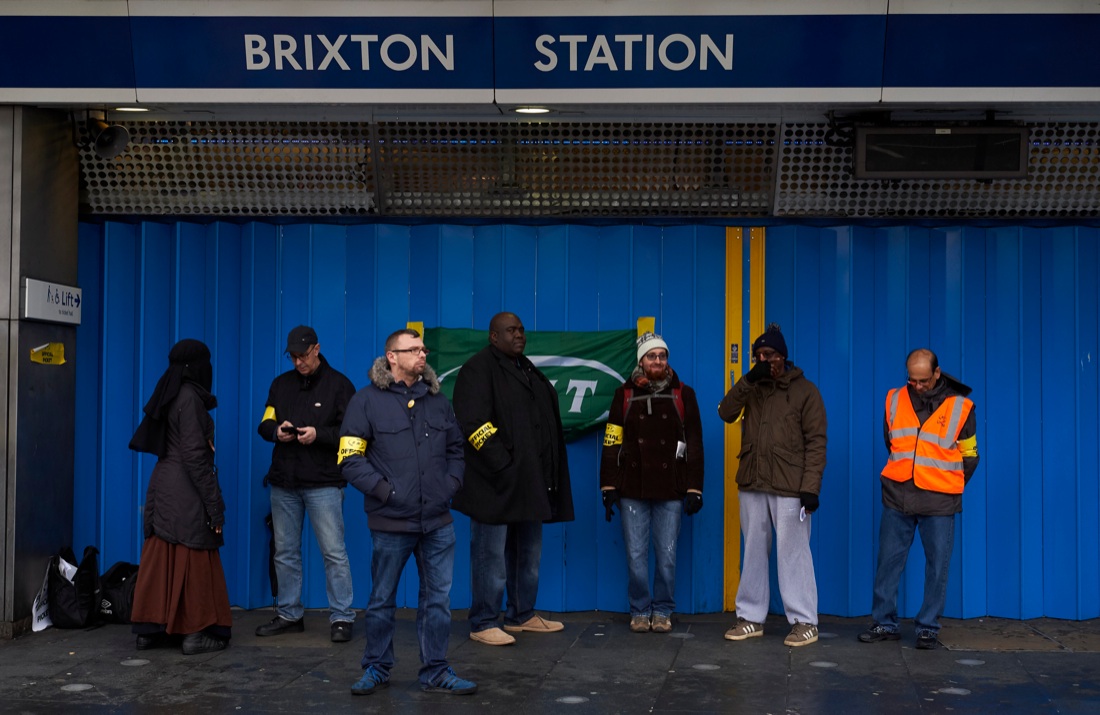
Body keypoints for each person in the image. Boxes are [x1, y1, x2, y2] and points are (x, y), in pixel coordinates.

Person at [338, 329, 476, 696]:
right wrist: (386, 492)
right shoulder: (365, 401)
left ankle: (436, 670)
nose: (422, 355)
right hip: (390, 520)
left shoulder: (437, 401)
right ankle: (377, 667)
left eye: (423, 349)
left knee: (438, 601)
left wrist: (449, 486)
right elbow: (349, 459)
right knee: (382, 600)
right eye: (412, 349)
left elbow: (457, 450)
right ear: (391, 357)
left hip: (437, 521)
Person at [451, 312, 575, 646]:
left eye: (521, 330)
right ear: (493, 337)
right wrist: (503, 463)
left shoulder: (526, 367)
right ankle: (483, 621)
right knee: (489, 557)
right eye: (510, 330)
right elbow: (473, 423)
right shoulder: (478, 369)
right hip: (495, 483)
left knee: (527, 554)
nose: (519, 335)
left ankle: (521, 614)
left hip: (530, 482)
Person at [859, 349, 979, 650]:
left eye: (923, 380)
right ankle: (884, 623)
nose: (917, 386)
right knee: (887, 562)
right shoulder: (894, 399)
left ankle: (928, 628)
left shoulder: (961, 407)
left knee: (937, 566)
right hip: (897, 496)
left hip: (939, 501)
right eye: (912, 380)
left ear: (937, 373)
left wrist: (947, 483)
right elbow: (892, 442)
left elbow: (970, 456)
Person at [718, 323, 827, 647]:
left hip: (790, 486)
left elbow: (817, 442)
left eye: (770, 355)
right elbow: (726, 411)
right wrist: (748, 379)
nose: (765, 361)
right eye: (759, 355)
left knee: (793, 554)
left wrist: (811, 488)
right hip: (753, 480)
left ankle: (805, 621)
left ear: (783, 356)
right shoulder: (753, 387)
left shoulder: (806, 391)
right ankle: (750, 617)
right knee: (752, 551)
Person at [127, 338, 232, 655]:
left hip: (162, 485)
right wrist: (216, 507)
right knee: (194, 555)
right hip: (185, 489)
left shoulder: (169, 392)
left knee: (161, 554)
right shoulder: (189, 398)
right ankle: (195, 633)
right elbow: (196, 459)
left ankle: (150, 631)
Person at [255, 325, 357, 642]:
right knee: (285, 552)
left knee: (333, 552)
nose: (299, 362)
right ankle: (289, 614)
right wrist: (276, 432)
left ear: (317, 349)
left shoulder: (340, 386)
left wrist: (319, 435)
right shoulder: (280, 385)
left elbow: (353, 433)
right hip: (284, 480)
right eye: (293, 357)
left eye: (303, 355)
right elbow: (265, 422)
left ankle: (342, 617)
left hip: (324, 483)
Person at [600, 332, 704, 633]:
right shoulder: (624, 394)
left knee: (667, 555)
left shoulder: (684, 394)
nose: (657, 361)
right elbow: (612, 440)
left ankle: (662, 610)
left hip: (670, 488)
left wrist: (694, 488)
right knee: (635, 555)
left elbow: (694, 443)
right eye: (651, 356)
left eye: (662, 355)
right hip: (633, 487)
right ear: (641, 361)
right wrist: (609, 486)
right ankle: (640, 609)